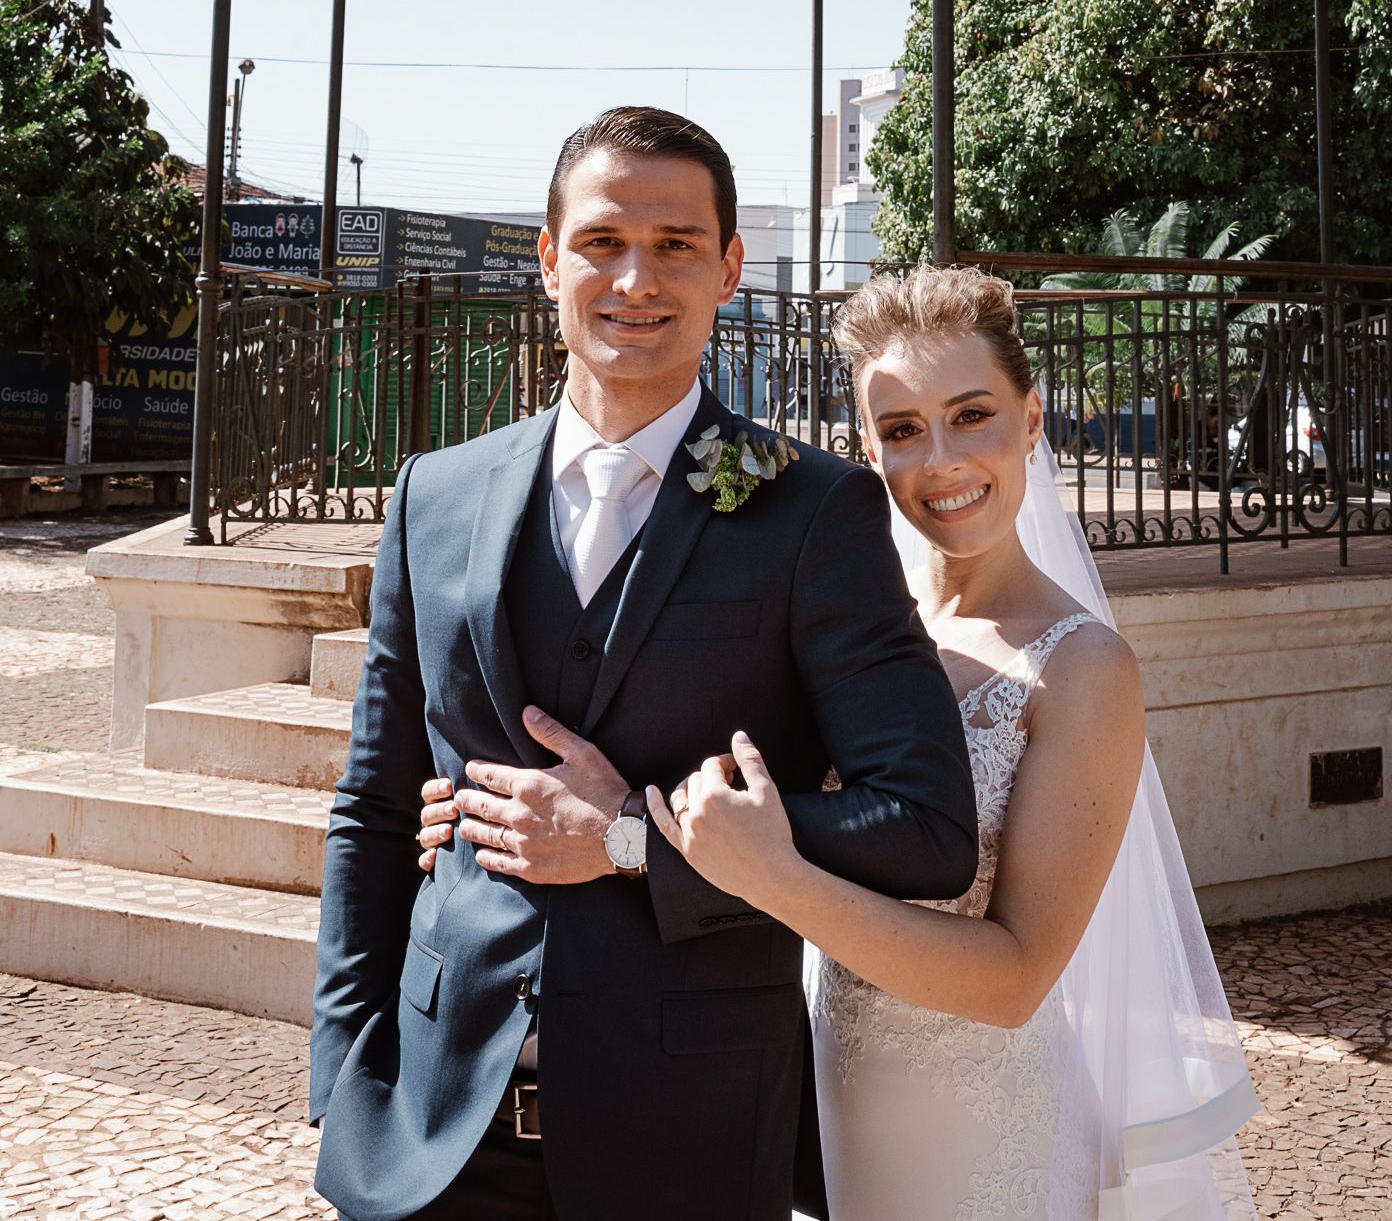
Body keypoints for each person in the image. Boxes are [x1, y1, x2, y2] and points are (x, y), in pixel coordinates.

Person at [421, 264, 1259, 1219]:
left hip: (978, 1140)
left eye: (973, 414)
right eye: (902, 430)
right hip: (807, 1103)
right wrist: (485, 804)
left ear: (1033, 420)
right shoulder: (837, 624)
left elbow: (1016, 977)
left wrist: (762, 874)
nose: (940, 459)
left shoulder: (1085, 669)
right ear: (868, 447)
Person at [312, 109, 978, 1221]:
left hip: (691, 1133)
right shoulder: (436, 494)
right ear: (548, 259)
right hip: (429, 1135)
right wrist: (341, 1076)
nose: (635, 278)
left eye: (675, 245)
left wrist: (631, 839)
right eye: (603, 240)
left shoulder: (814, 510)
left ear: (727, 269)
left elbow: (927, 827)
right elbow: (374, 810)